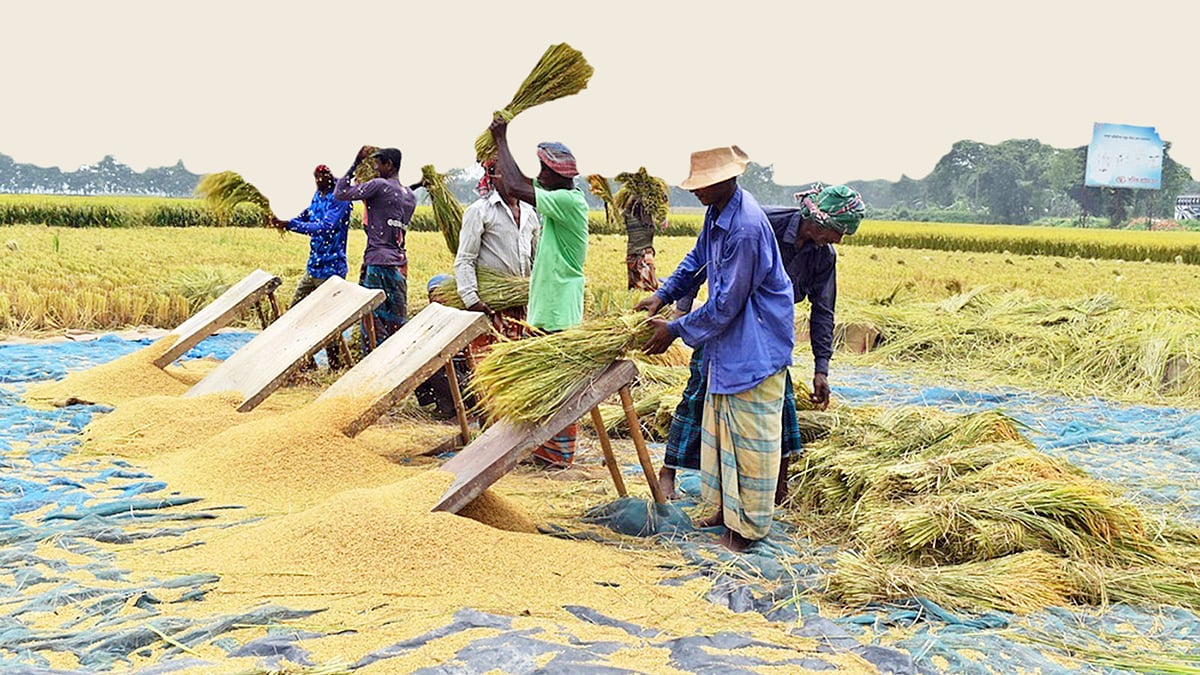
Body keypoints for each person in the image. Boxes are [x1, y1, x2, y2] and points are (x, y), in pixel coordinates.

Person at [657, 183, 867, 505]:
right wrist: (678, 307)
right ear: (821, 221)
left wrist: (821, 369)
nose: (839, 241)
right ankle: (669, 472)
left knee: (779, 410)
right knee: (699, 394)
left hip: (769, 337)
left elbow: (823, 311)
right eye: (839, 232)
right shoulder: (759, 225)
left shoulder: (824, 256)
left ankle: (776, 490)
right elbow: (704, 259)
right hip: (726, 321)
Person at [635, 145, 795, 552]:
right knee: (722, 432)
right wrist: (663, 294)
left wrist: (673, 329)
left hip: (755, 344)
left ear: (728, 179)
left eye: (703, 185)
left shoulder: (745, 227)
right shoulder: (718, 212)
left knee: (750, 443)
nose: (696, 193)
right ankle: (726, 513)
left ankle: (746, 531)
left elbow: (725, 306)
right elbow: (697, 259)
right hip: (731, 343)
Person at [488, 116, 588, 466]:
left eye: (542, 172)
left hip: (560, 308)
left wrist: (502, 138)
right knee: (542, 380)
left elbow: (515, 185)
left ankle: (558, 458)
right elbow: (517, 182)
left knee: (555, 381)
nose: (538, 178)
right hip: (549, 305)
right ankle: (545, 452)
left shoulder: (570, 203)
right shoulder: (559, 198)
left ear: (556, 176)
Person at [334, 146, 416, 351]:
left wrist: (354, 162)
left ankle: (371, 366)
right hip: (399, 265)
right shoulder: (409, 196)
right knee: (396, 321)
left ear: (389, 165)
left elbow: (341, 192)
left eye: (379, 164)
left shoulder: (380, 185)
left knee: (373, 321)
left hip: (378, 263)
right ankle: (395, 362)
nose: (376, 168)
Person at [451, 158, 540, 345]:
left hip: (521, 302)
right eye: (505, 173)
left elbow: (535, 259)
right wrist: (472, 300)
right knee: (489, 362)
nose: (512, 179)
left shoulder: (530, 213)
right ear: (493, 177)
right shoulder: (479, 211)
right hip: (491, 303)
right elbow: (465, 259)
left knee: (515, 360)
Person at [273, 164, 352, 369]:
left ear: (332, 176)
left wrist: (290, 225)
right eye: (316, 176)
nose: (319, 180)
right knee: (295, 313)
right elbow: (306, 217)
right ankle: (308, 364)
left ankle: (336, 366)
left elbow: (325, 228)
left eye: (323, 176)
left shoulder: (340, 199)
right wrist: (285, 219)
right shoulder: (317, 197)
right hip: (313, 267)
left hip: (332, 269)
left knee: (327, 320)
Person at [620, 169, 668, 291]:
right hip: (641, 257)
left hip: (635, 255)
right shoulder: (639, 206)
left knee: (637, 290)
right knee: (648, 289)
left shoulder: (629, 209)